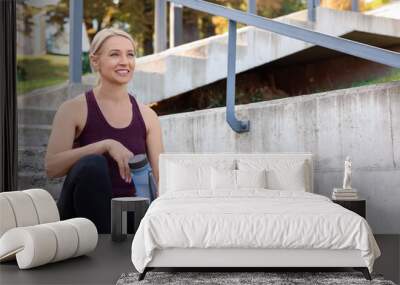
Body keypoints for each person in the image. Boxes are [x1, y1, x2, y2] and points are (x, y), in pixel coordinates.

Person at [45, 28, 164, 233]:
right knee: (93, 163)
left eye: (130, 54)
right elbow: (52, 167)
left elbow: (162, 178)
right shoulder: (73, 109)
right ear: (95, 61)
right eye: (114, 54)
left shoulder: (147, 116)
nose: (125, 61)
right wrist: (104, 145)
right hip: (81, 222)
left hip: (129, 217)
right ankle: (102, 250)